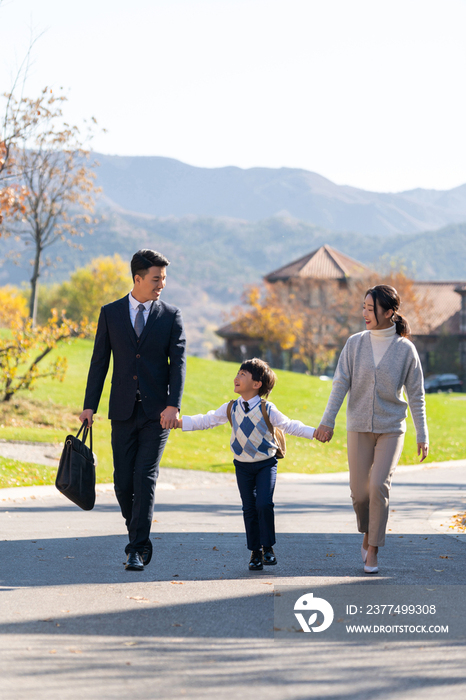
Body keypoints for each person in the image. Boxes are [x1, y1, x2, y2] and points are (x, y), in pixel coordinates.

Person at [79, 249, 186, 571]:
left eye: (164, 279)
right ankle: (138, 534)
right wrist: (89, 406)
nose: (161, 285)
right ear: (138, 278)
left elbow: (178, 364)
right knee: (123, 482)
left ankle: (136, 548)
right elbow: (100, 362)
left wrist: (173, 405)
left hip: (157, 414)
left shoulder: (170, 315)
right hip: (122, 410)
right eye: (156, 279)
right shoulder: (110, 313)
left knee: (145, 477)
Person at [316, 284, 429, 574]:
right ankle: (367, 532)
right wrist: (328, 420)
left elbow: (416, 394)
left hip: (391, 428)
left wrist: (422, 433)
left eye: (371, 308)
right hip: (358, 427)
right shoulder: (355, 344)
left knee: (379, 485)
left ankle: (373, 549)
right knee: (359, 493)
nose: (365, 313)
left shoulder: (406, 350)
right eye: (364, 307)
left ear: (389, 312)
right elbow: (340, 383)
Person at [173, 358, 326, 571]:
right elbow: (206, 420)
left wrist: (314, 433)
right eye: (238, 373)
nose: (237, 377)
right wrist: (180, 423)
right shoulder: (230, 408)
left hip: (265, 464)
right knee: (249, 508)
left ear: (257, 384)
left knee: (263, 504)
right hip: (242, 466)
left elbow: (289, 425)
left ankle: (268, 548)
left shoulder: (267, 408)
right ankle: (255, 553)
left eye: (243, 374)